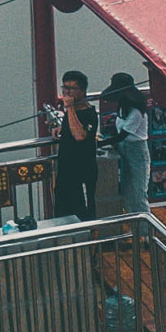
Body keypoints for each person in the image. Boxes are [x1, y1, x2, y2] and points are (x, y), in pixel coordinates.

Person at [53, 69, 99, 221]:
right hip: (65, 172)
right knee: (62, 213)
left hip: (82, 173)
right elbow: (72, 126)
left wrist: (69, 107)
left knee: (82, 215)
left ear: (82, 91)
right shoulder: (70, 112)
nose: (67, 92)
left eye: (71, 88)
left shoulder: (89, 113)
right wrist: (62, 128)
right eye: (64, 88)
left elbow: (80, 135)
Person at [104, 72, 151, 214]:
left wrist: (100, 143)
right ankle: (132, 220)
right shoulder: (123, 108)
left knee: (139, 192)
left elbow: (122, 135)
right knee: (127, 191)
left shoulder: (137, 112)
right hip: (124, 148)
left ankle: (145, 225)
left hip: (137, 150)